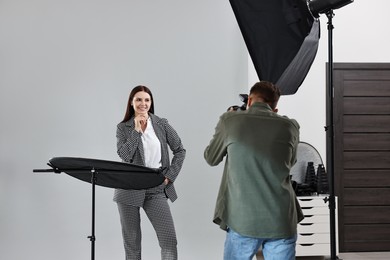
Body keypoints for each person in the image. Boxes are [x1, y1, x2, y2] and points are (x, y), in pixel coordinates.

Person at [204, 81, 303, 260]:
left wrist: (225, 121)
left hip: (243, 218)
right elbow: (290, 161)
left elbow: (211, 157)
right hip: (280, 218)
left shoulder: (230, 121)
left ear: (249, 101)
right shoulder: (290, 126)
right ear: (275, 107)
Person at [114, 85, 186, 260]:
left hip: (156, 187)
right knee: (132, 244)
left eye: (147, 100)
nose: (143, 103)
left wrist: (170, 176)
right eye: (138, 99)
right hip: (128, 188)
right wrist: (136, 131)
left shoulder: (161, 124)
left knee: (169, 240)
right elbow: (124, 156)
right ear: (131, 102)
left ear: (151, 102)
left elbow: (180, 150)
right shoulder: (123, 127)